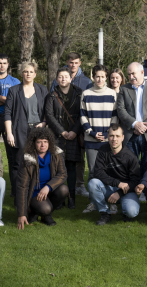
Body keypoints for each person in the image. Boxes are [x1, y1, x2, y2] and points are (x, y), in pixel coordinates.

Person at [49, 52, 93, 198]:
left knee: (78, 159)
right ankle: (60, 191)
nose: (73, 65)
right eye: (70, 62)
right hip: (60, 129)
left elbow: (85, 107)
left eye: (76, 62)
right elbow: (51, 106)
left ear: (80, 63)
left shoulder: (86, 81)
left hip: (77, 127)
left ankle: (79, 185)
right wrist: (61, 131)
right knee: (58, 161)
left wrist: (76, 130)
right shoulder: (57, 81)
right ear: (67, 62)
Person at [4, 61, 49, 200]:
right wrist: (9, 133)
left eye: (30, 72)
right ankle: (17, 193)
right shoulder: (14, 90)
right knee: (18, 163)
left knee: (37, 162)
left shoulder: (42, 90)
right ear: (21, 73)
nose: (28, 74)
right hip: (19, 131)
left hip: (38, 130)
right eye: (25, 71)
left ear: (35, 74)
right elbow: (7, 113)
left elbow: (48, 111)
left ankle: (35, 190)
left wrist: (44, 123)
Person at [115, 62, 147, 179]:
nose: (131, 77)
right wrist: (134, 124)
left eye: (133, 73)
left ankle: (144, 189)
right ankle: (132, 190)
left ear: (142, 72)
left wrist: (144, 127)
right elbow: (121, 110)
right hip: (130, 133)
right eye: (129, 74)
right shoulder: (124, 89)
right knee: (131, 164)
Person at [79, 64, 117, 214]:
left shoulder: (112, 94)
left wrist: (109, 133)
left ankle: (112, 202)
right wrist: (92, 132)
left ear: (106, 77)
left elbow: (115, 116)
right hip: (91, 140)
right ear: (93, 77)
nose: (99, 79)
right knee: (94, 172)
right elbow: (82, 116)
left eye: (102, 76)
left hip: (108, 140)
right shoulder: (86, 93)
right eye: (97, 76)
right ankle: (94, 202)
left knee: (109, 172)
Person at [43, 67, 82, 209]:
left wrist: (75, 131)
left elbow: (82, 114)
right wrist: (62, 132)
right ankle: (59, 198)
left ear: (71, 78)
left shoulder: (79, 93)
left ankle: (71, 199)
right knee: (57, 168)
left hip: (73, 136)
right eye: (60, 76)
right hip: (57, 137)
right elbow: (49, 116)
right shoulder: (51, 96)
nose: (63, 79)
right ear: (56, 79)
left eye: (66, 76)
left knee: (71, 167)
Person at [88, 124, 141, 225]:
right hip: (109, 187)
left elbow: (135, 181)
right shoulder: (103, 150)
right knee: (93, 183)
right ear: (107, 136)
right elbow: (98, 172)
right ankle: (105, 213)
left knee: (132, 212)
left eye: (117, 136)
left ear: (122, 138)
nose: (114, 139)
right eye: (112, 136)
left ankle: (125, 210)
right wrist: (117, 183)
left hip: (126, 190)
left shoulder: (130, 156)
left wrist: (119, 193)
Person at [16, 127, 69, 228]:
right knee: (46, 209)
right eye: (39, 142)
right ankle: (34, 211)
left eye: (45, 141)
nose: (42, 145)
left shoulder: (56, 154)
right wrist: (21, 214)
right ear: (33, 143)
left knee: (64, 189)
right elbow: (22, 187)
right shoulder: (27, 158)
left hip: (48, 190)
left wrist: (48, 187)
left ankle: (45, 216)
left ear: (49, 142)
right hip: (34, 192)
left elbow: (62, 174)